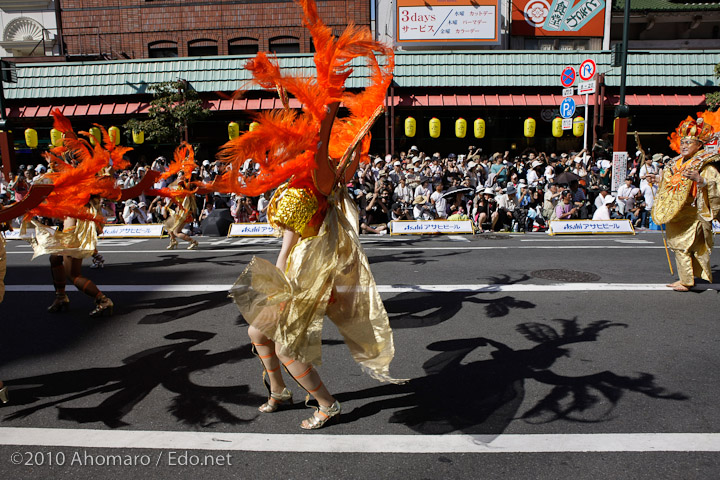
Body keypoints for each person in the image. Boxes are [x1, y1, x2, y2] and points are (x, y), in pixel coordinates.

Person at [215, 0, 403, 430]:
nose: (284, 138)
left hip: (311, 269)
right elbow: (287, 237)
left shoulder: (320, 179)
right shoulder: (291, 180)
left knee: (286, 348)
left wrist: (329, 101)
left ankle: (327, 404)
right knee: (257, 334)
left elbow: (319, 148)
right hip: (291, 263)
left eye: (293, 135)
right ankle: (279, 390)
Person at [651, 114, 720, 291]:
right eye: (682, 142)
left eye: (689, 143)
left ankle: (686, 281)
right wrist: (656, 180)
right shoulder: (676, 163)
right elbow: (672, 184)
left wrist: (700, 180)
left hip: (693, 213)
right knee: (680, 245)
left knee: (683, 245)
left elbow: (714, 184)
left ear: (699, 145)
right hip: (676, 212)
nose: (684, 145)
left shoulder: (705, 165)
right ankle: (689, 277)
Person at [165, 170, 199, 250]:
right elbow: (172, 199)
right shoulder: (178, 188)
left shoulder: (185, 189)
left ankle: (193, 241)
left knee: (176, 232)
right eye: (177, 176)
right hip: (178, 212)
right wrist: (166, 207)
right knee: (168, 225)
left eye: (179, 176)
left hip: (183, 213)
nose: (178, 178)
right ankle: (173, 241)